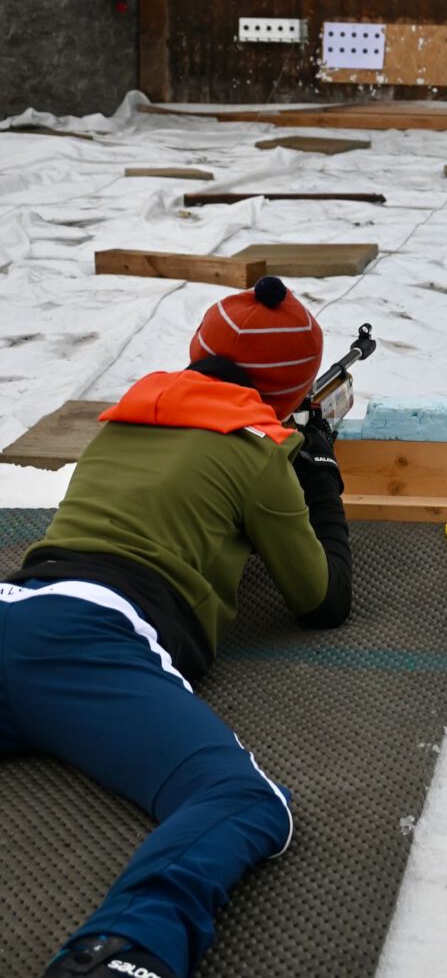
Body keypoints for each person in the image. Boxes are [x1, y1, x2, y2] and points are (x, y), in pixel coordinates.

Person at [0, 276, 352, 978]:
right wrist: (315, 468)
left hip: (17, 600)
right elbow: (320, 600)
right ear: (289, 390)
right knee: (242, 801)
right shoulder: (258, 455)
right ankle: (126, 954)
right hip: (94, 636)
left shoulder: (121, 421)